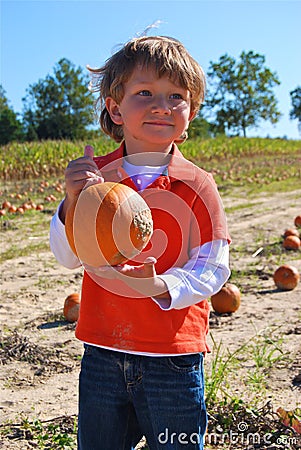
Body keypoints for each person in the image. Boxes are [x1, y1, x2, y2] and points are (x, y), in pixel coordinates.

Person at [50, 35, 231, 450]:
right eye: (145, 92)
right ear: (115, 107)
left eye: (176, 96)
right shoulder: (95, 178)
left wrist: (162, 286)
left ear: (191, 112)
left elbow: (214, 266)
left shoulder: (198, 185)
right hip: (102, 352)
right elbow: (65, 256)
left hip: (173, 358)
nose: (161, 106)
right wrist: (71, 203)